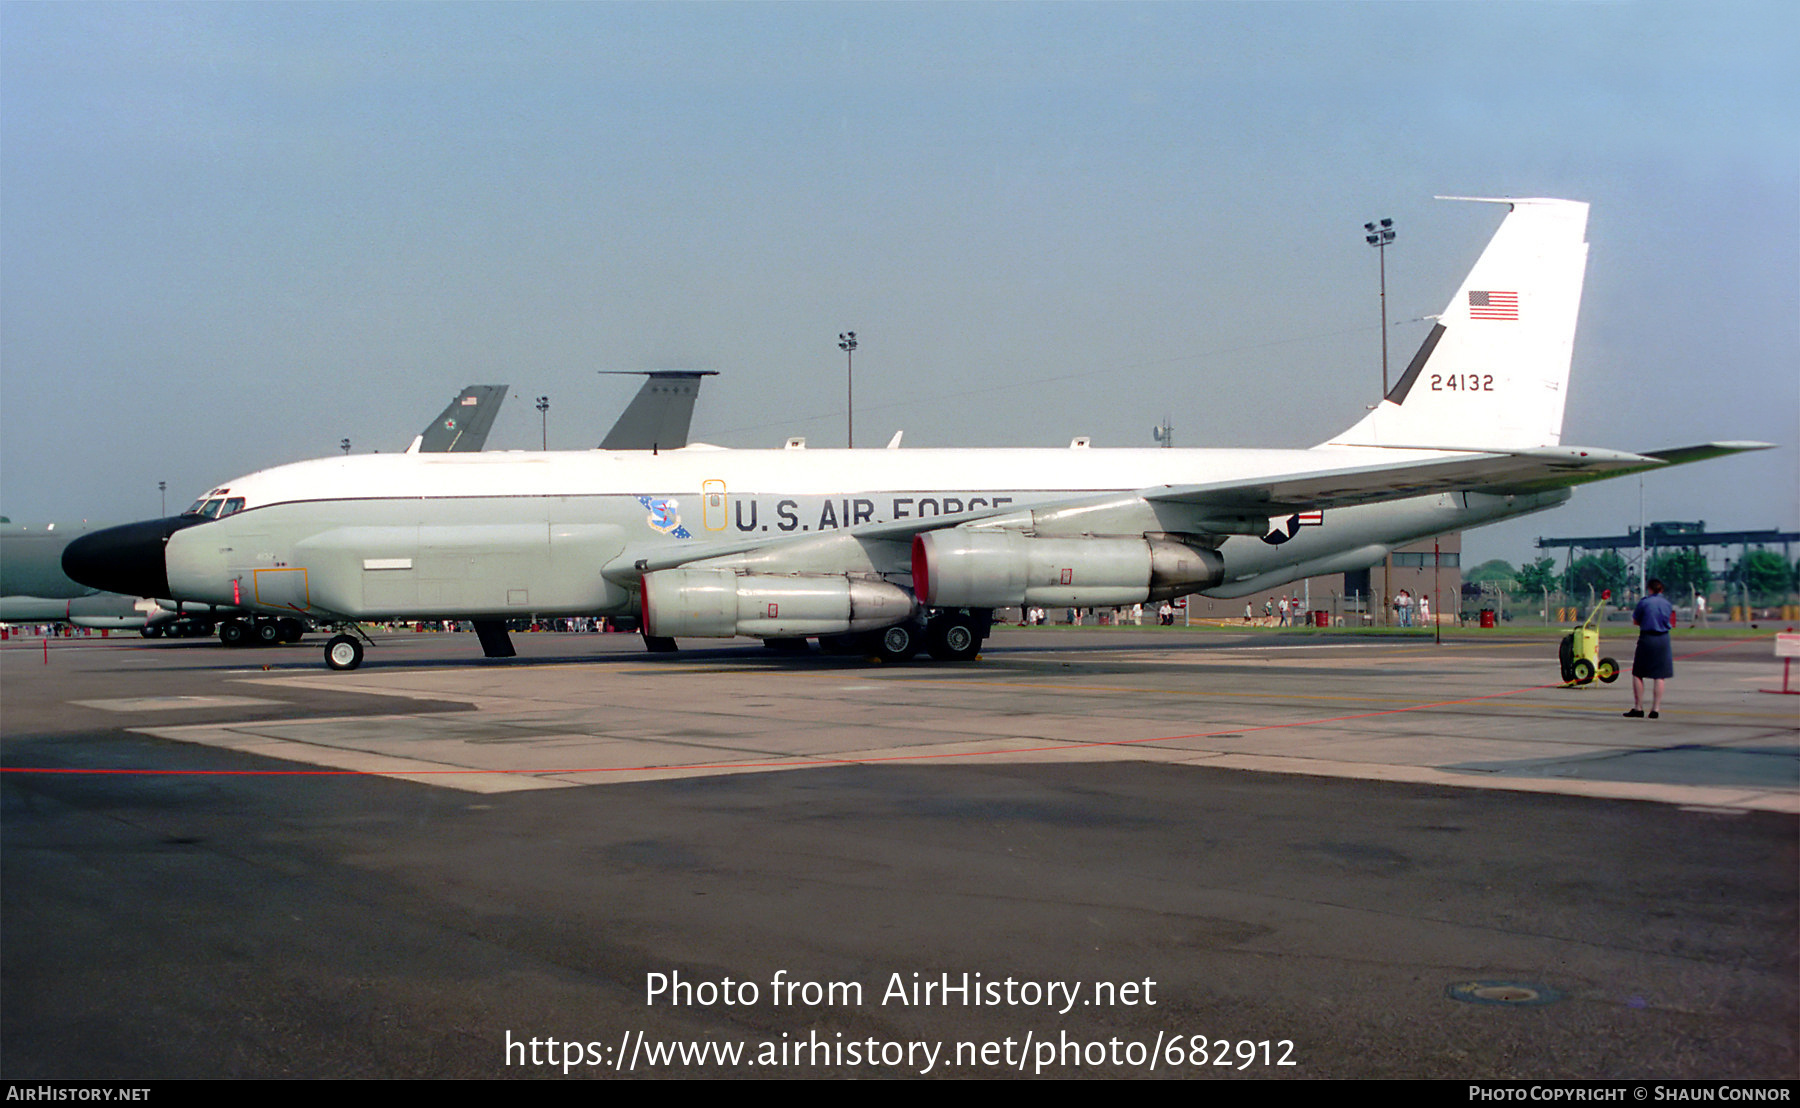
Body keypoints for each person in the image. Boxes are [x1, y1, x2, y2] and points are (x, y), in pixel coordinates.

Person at [1624, 578, 1676, 719]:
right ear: (1661, 589)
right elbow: (1671, 621)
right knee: (1659, 675)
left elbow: (1636, 620)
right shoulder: (1667, 604)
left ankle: (1638, 707)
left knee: (1638, 673)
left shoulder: (1644, 602)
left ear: (1649, 589)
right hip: (1663, 639)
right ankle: (1655, 709)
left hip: (1647, 638)